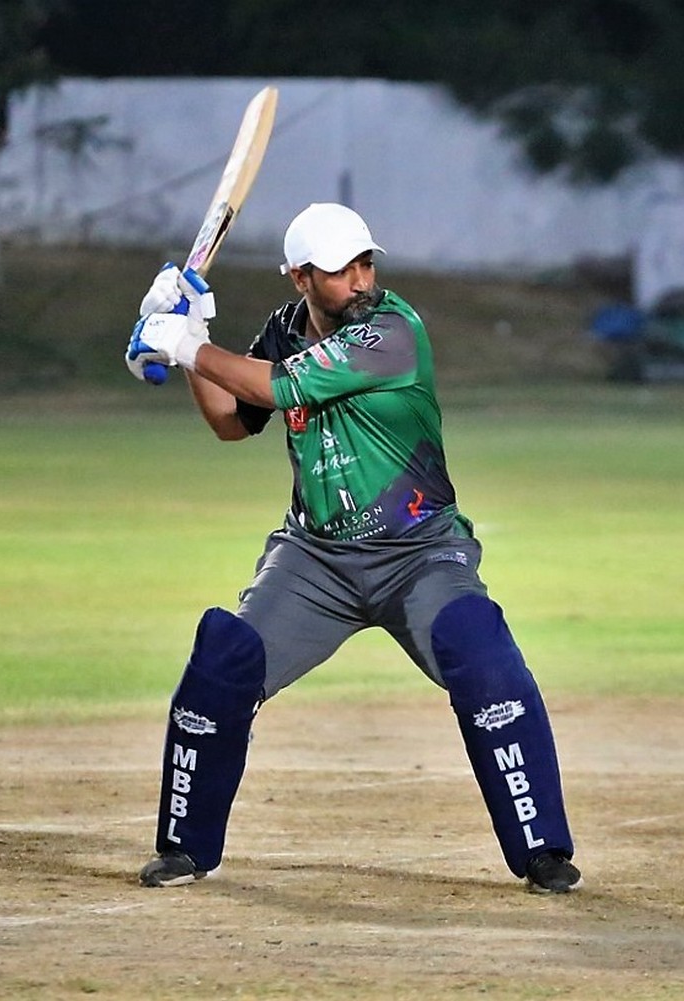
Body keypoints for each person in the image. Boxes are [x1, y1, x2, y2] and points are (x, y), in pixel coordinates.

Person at [122, 203, 583, 894]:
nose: (362, 279)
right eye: (343, 270)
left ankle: (543, 850)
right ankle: (184, 849)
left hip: (419, 552)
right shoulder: (284, 328)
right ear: (300, 277)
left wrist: (185, 344)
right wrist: (192, 337)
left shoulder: (391, 331)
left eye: (367, 263)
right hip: (315, 559)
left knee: (478, 648)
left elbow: (279, 385)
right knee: (224, 659)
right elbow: (231, 421)